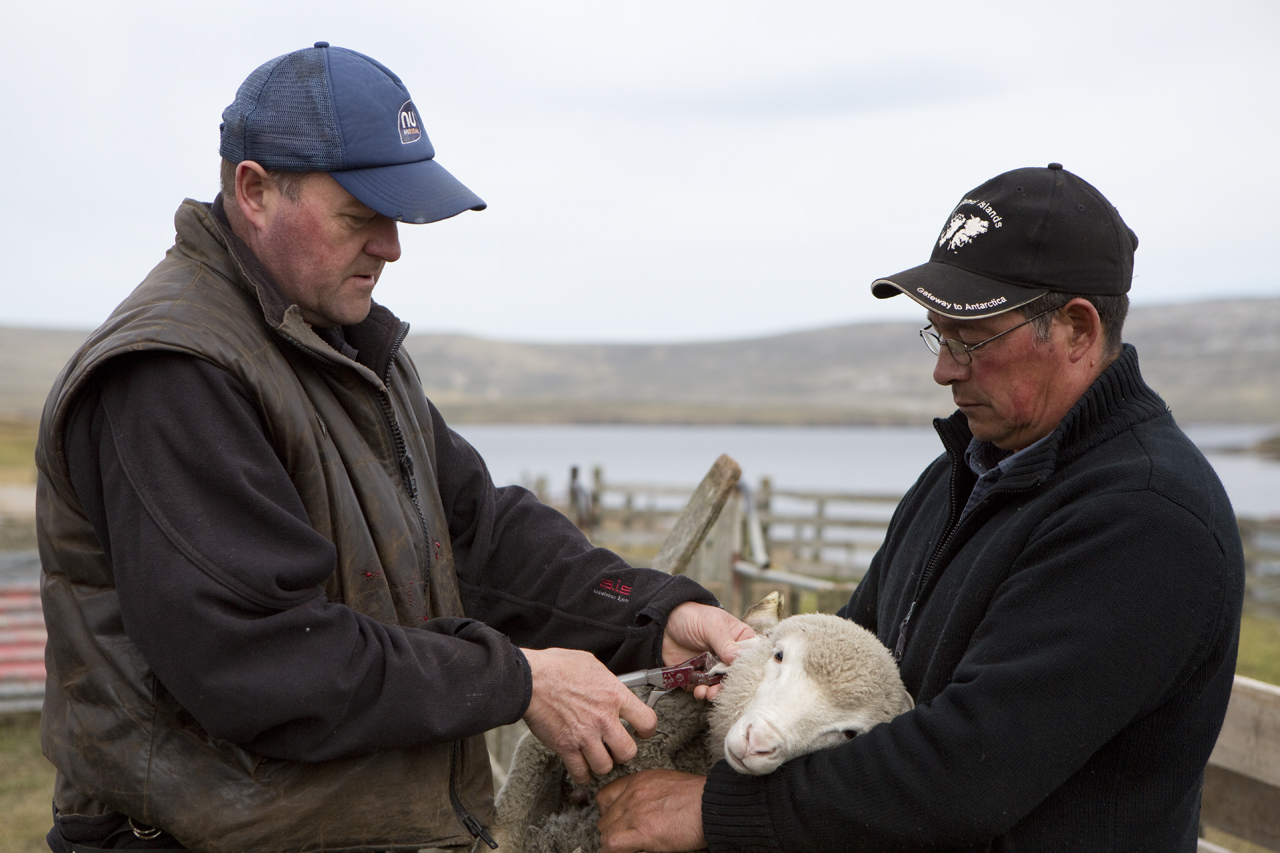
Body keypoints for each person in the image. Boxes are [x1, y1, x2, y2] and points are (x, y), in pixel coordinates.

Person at [35, 43, 751, 853]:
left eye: (397, 216)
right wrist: (519, 679)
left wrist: (656, 615)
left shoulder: (341, 344)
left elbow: (480, 536)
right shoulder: (173, 373)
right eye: (359, 215)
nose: (391, 246)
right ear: (256, 189)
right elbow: (262, 659)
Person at [596, 164, 1245, 852]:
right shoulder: (962, 472)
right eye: (938, 334)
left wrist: (714, 811)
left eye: (971, 339)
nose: (944, 369)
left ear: (1077, 330)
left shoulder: (1146, 519)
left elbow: (970, 766)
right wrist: (757, 681)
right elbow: (848, 655)